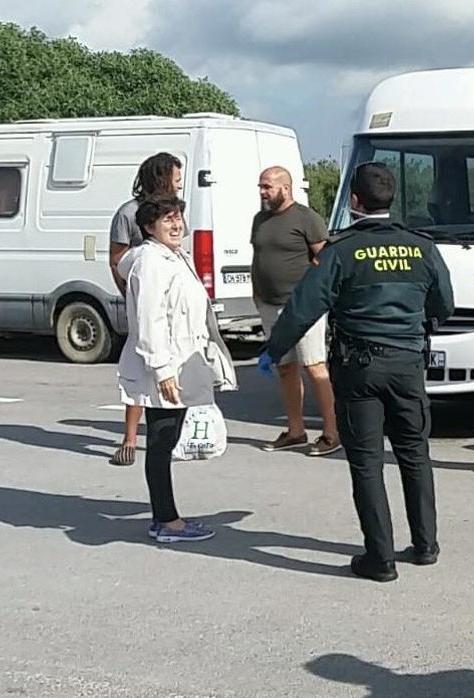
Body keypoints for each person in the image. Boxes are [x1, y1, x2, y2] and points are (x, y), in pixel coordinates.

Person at [261, 162, 454, 582]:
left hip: (359, 368)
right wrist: (418, 327)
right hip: (407, 365)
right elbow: (444, 304)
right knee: (415, 455)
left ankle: (380, 560)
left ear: (353, 201)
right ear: (391, 199)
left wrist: (274, 349)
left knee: (367, 464)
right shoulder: (420, 246)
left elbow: (303, 306)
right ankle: (425, 546)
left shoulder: (342, 250)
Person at [116, 194, 237, 543]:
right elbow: (149, 319)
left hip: (179, 362)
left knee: (165, 441)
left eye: (178, 218)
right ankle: (166, 521)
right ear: (149, 227)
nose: (175, 225)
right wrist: (162, 369)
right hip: (163, 367)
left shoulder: (175, 256)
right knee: (161, 440)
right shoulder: (151, 262)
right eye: (166, 219)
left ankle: (165, 516)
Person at [251, 166, 341, 456]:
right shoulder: (260, 219)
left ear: (285, 188)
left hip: (302, 308)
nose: (263, 192)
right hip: (269, 304)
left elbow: (325, 260)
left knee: (314, 366)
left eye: (268, 187)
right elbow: (259, 256)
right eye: (261, 187)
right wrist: (256, 293)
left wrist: (310, 295)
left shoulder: (306, 218)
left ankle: (331, 432)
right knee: (285, 368)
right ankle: (295, 430)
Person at [107, 152, 183, 466]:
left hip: (170, 301)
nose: (179, 185)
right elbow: (116, 259)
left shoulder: (175, 211)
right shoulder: (129, 213)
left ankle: (172, 437)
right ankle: (129, 437)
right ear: (161, 177)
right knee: (142, 365)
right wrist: (130, 292)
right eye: (176, 179)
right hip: (144, 296)